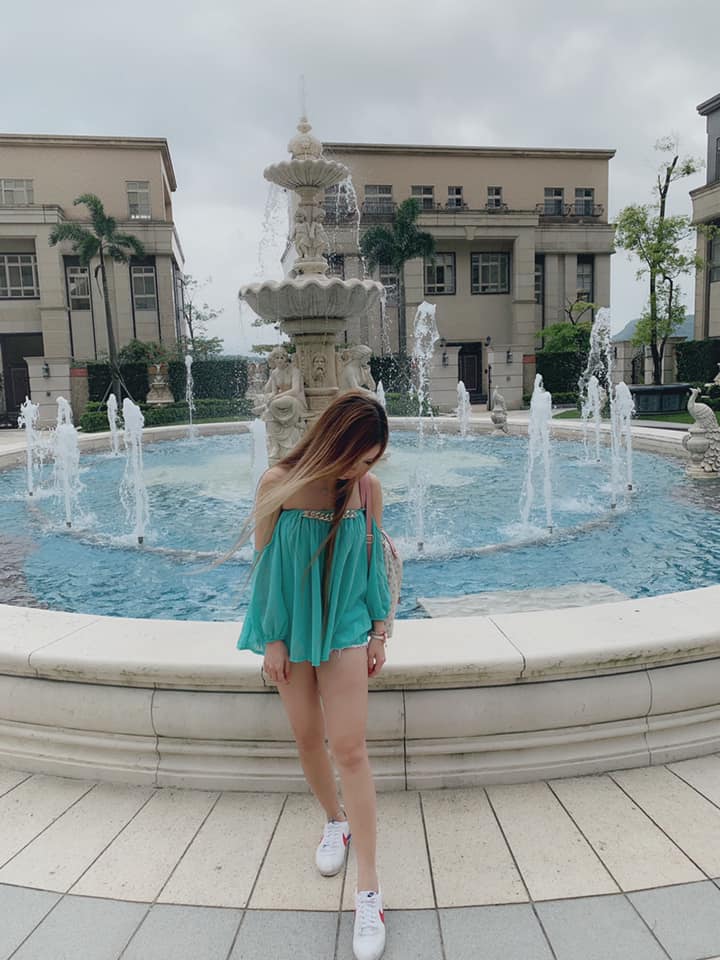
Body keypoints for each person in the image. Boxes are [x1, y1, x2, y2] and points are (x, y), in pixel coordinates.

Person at [236, 390, 391, 960]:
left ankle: (369, 892)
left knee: (350, 750)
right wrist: (272, 637)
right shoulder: (277, 482)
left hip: (345, 626)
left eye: (371, 460)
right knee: (306, 737)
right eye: (358, 457)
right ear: (334, 441)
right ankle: (335, 821)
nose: (362, 469)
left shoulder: (367, 490)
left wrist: (379, 630)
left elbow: (373, 561)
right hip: (292, 628)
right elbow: (265, 565)